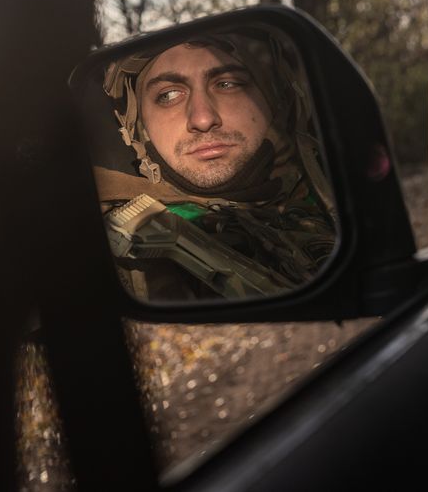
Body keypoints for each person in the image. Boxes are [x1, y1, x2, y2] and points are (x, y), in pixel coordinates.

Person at [96, 28, 337, 301]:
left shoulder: (335, 188)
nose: (202, 118)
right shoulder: (124, 253)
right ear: (138, 128)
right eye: (169, 95)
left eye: (227, 84)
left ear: (275, 101)